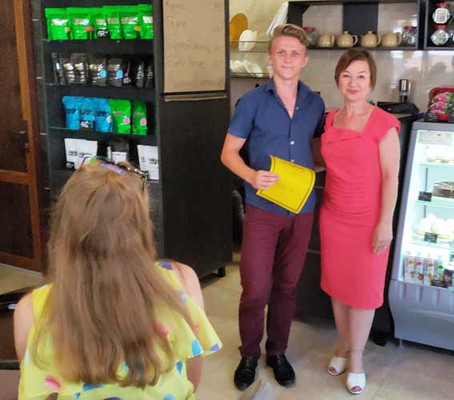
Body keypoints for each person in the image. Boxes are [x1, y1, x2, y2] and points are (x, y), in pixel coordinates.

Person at [13, 158, 221, 399]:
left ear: (63, 229)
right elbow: (191, 381)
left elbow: (44, 389)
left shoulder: (31, 311)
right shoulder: (182, 280)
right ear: (142, 228)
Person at [220, 24, 325, 391]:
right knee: (254, 287)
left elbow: (318, 151)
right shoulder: (251, 102)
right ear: (270, 58)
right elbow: (228, 153)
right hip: (262, 208)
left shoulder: (315, 103)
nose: (288, 59)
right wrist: (251, 175)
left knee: (287, 285)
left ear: (305, 60)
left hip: (302, 208)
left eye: (295, 53)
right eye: (281, 52)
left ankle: (277, 352)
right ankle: (249, 353)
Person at [318, 49, 400, 395]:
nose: (353, 83)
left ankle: (357, 359)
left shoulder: (383, 123)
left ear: (371, 82)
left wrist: (385, 223)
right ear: (338, 79)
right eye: (347, 75)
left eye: (361, 76)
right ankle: (343, 344)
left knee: (363, 294)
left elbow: (391, 176)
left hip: (368, 221)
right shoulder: (330, 119)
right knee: (338, 289)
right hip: (333, 216)